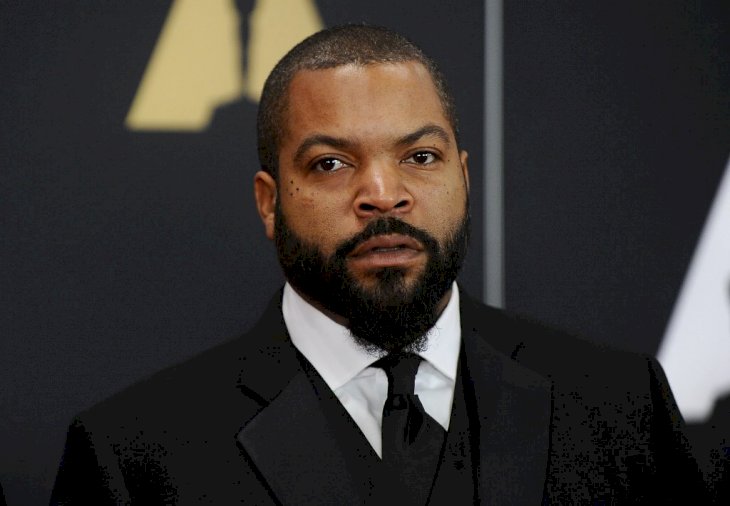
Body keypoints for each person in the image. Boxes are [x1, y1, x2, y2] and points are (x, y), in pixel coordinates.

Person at [50, 24, 708, 504]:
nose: (384, 194)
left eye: (420, 157)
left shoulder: (619, 404)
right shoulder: (133, 456)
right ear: (269, 203)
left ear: (464, 177)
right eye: (331, 164)